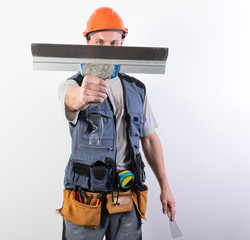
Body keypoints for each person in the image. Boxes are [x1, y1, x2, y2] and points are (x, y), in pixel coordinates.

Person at [57, 7, 175, 240]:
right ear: (87, 42)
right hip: (85, 199)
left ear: (122, 44)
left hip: (126, 195)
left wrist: (165, 187)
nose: (107, 50)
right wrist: (82, 96)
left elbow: (149, 139)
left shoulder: (136, 89)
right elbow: (71, 99)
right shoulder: (73, 85)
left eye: (113, 43)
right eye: (99, 42)